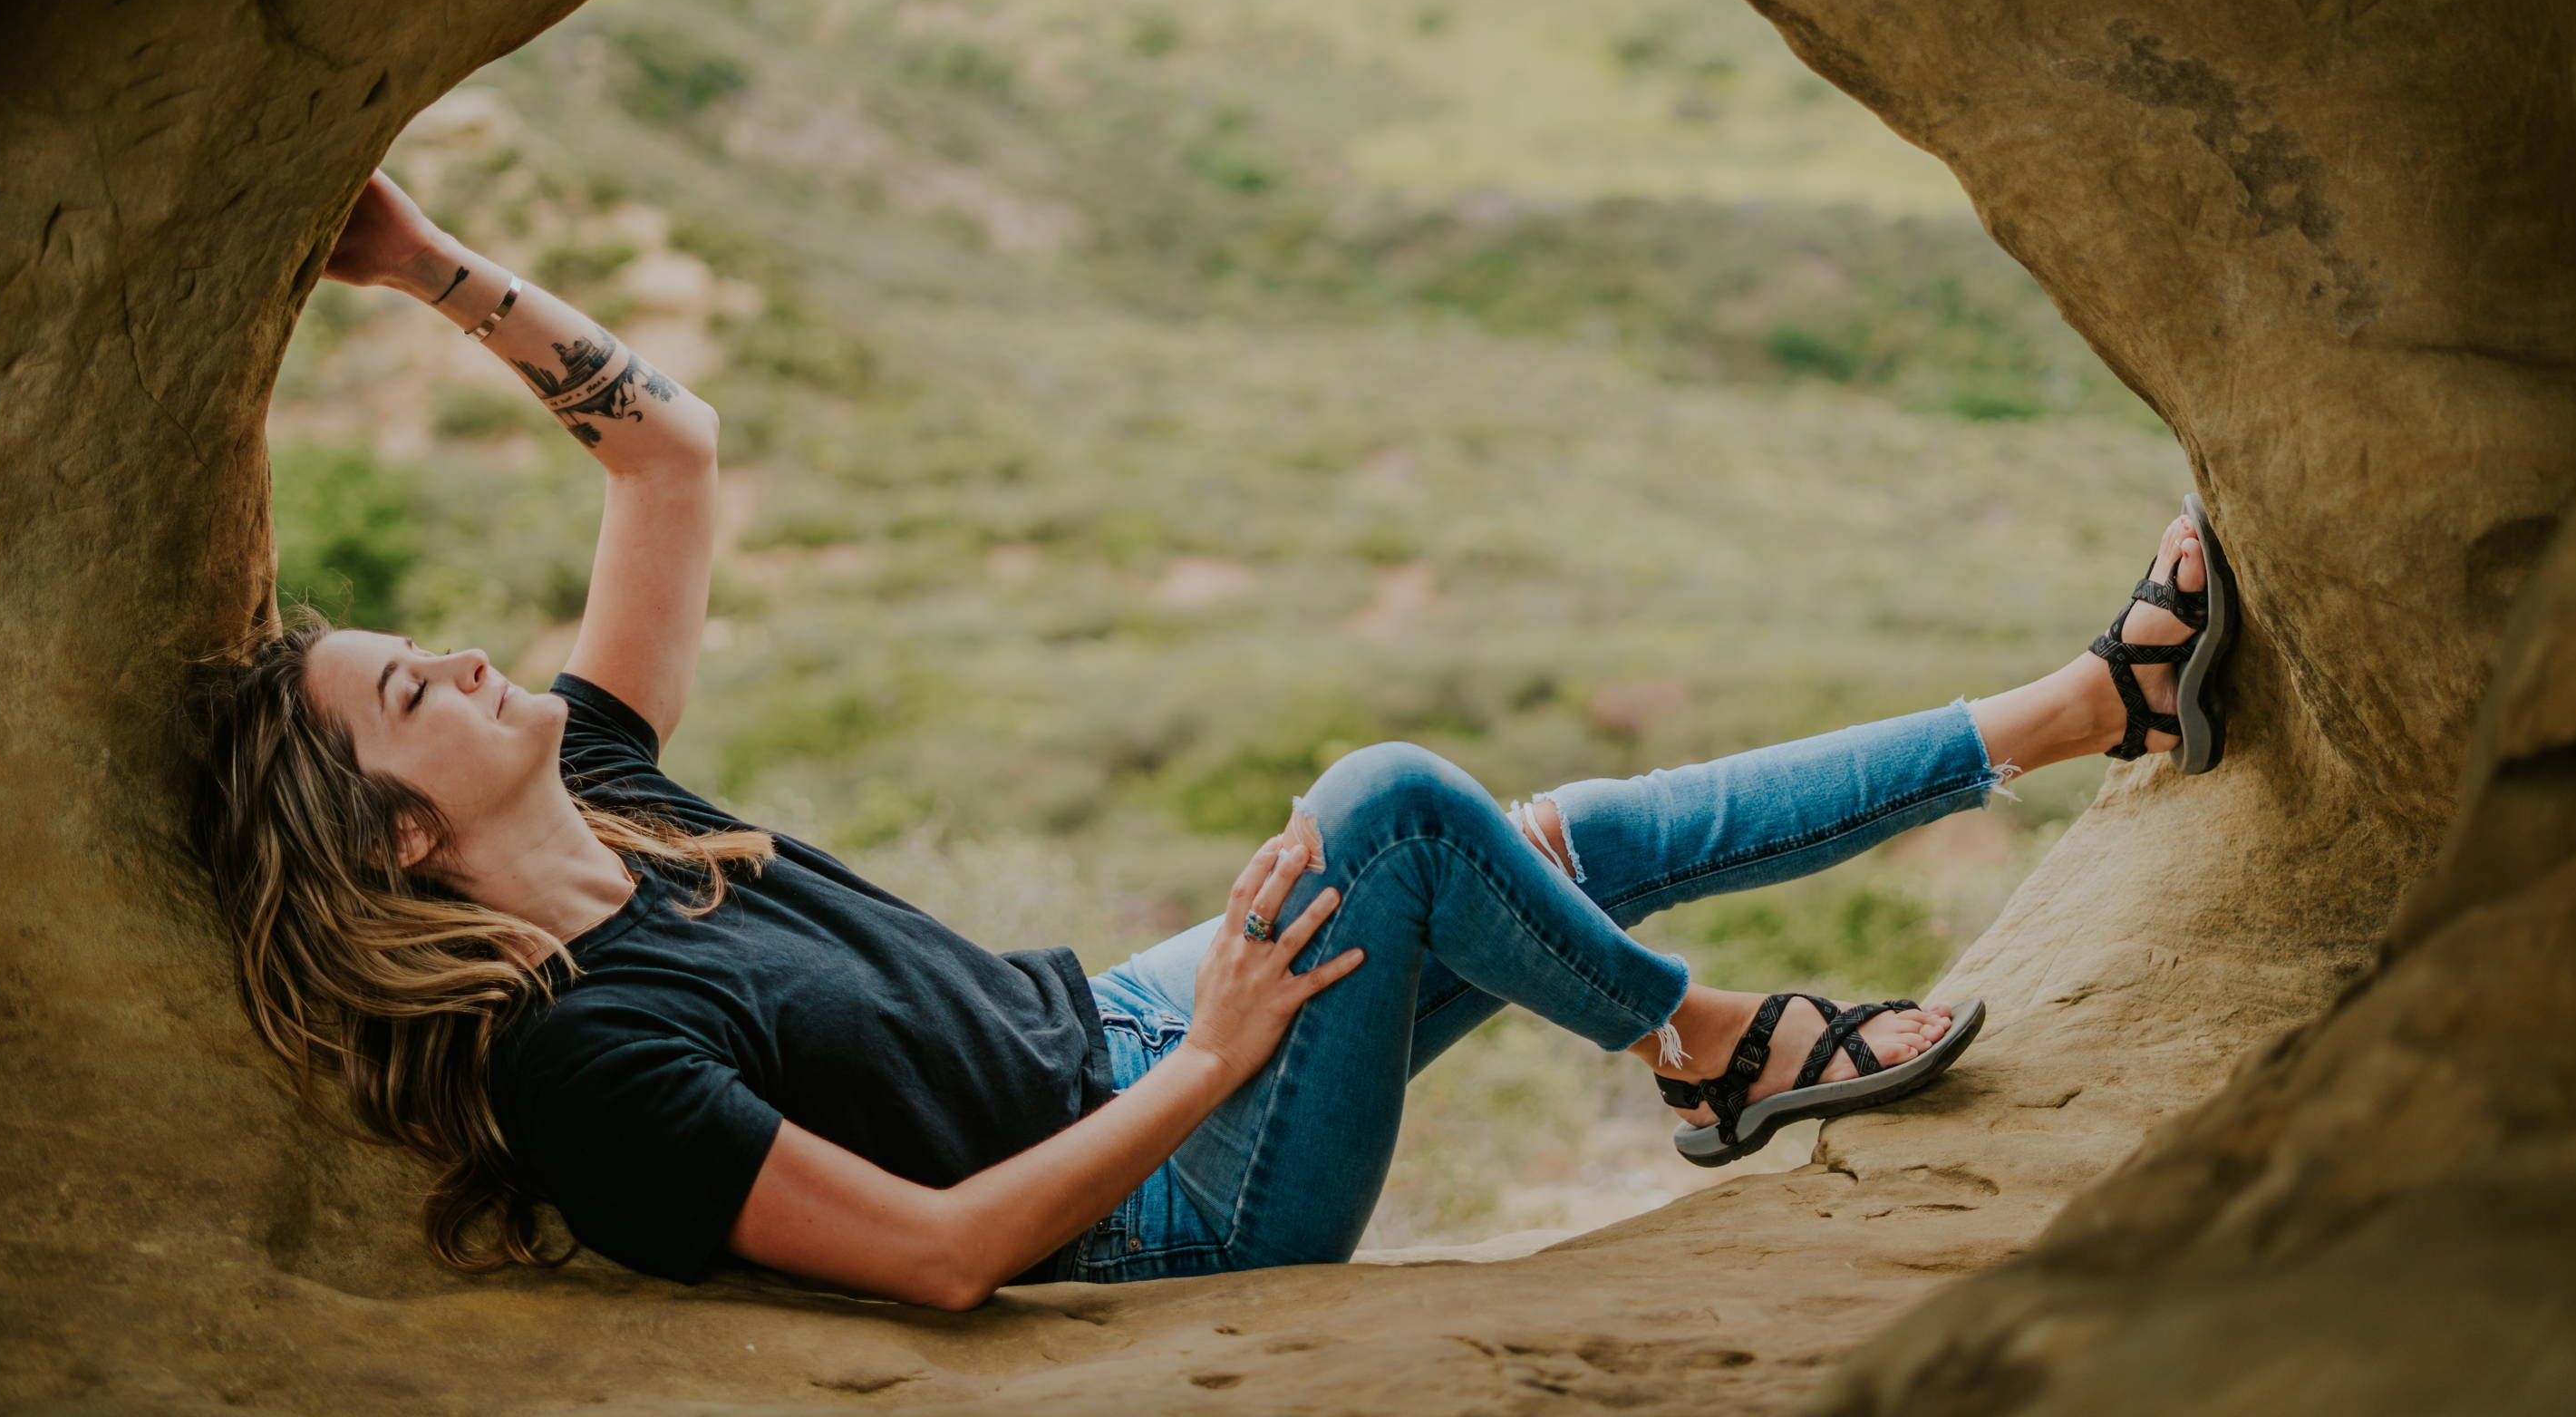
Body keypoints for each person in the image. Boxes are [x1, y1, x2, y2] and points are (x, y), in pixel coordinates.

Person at [192, 171, 2238, 1309]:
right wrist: (1220, 1061)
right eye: (410, 693)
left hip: (1114, 1024)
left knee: (1543, 833)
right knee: (1400, 814)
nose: (467, 663)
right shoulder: (583, 1055)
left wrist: (417, 265)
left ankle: (2093, 706)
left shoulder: (610, 792)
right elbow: (937, 1253)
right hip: (1156, 1203)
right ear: (393, 847)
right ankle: (1711, 1049)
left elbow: (665, 452)